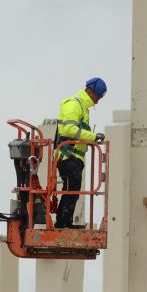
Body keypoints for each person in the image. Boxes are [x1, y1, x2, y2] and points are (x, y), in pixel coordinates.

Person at [54, 77, 107, 229]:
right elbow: (69, 129)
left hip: (75, 157)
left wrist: (89, 140)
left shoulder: (83, 109)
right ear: (89, 91)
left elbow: (77, 133)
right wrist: (92, 137)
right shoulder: (73, 104)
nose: (97, 101)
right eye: (97, 97)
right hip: (67, 154)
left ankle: (63, 222)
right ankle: (63, 223)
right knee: (72, 188)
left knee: (72, 189)